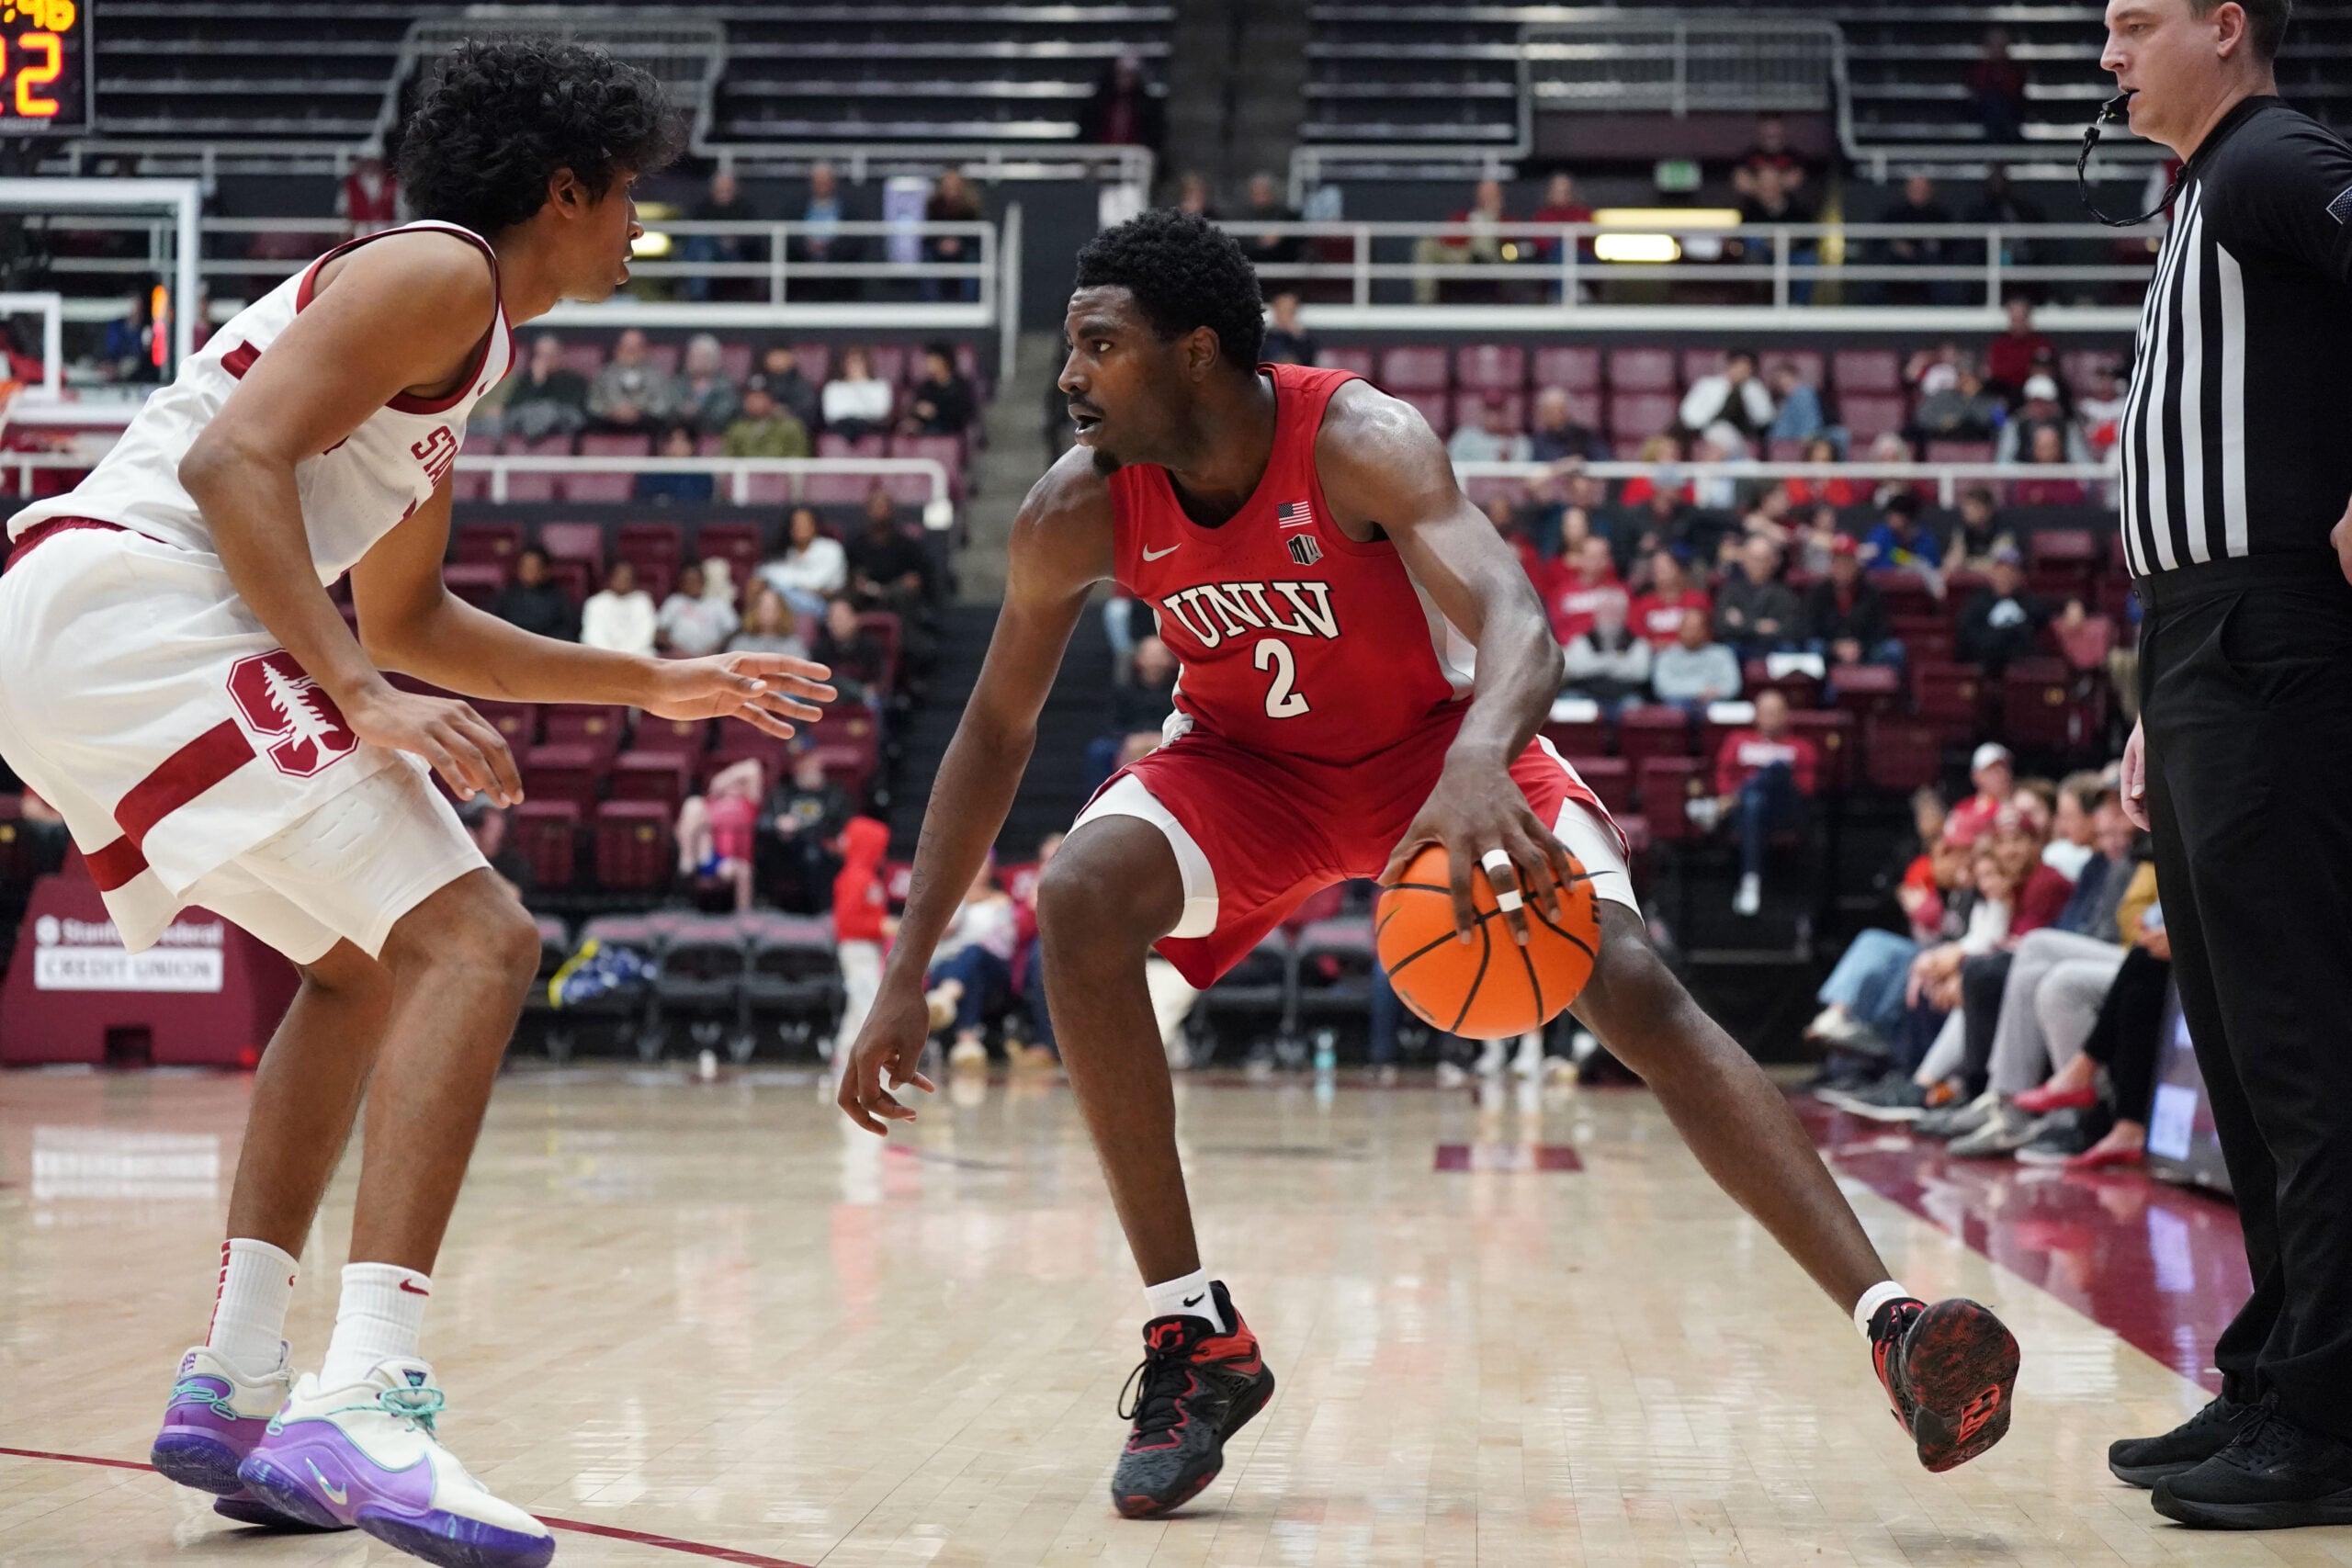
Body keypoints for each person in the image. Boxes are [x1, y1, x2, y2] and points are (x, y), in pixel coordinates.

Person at [836, 210, 2017, 1515]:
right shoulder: (1075, 506)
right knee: (1076, 894)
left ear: (1195, 353)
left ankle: (1894, 1322)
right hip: (1250, 771)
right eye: (1072, 347)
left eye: (1099, 346)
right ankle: (1196, 1337)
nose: (1069, 375)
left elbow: (1519, 620)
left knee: (1629, 981)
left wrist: (1478, 759)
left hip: (1443, 757)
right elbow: (998, 727)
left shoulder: (1356, 440)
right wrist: (904, 968)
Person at [0, 40, 835, 1562]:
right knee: (483, 940)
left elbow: (413, 623)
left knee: (363, 962)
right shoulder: (443, 270)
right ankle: (367, 1397)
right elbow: (237, 466)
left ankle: (238, 1383)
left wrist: (658, 687)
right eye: (626, 195)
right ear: (564, 188)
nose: (633, 223)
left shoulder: (458, 332)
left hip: (85, 624)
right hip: (136, 601)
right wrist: (359, 695)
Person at [2101, 0, 2352, 1524]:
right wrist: (2156, 685)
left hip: (2273, 641)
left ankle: (2327, 1415)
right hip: (2201, 640)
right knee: (2252, 1060)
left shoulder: (2270, 160)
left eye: (2134, 21)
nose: (2110, 53)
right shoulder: (2210, 188)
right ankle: (2276, 1373)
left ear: (2225, 23)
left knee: (2304, 1047)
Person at [1690, 688, 1817, 916]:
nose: (1772, 718)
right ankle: (1751, 881)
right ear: (1756, 715)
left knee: (1777, 769)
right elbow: (1722, 777)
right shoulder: (1737, 740)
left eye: (1777, 712)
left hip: (1783, 811)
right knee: (1753, 801)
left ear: (1787, 715)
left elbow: (1806, 789)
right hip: (1744, 815)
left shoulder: (1801, 747)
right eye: (1766, 712)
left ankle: (1717, 809)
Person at [923, 863, 1021, 1072]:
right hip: (949, 967)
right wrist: (960, 904)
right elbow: (935, 937)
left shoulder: (1000, 902)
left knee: (974, 952)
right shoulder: (948, 899)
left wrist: (973, 947)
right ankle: (967, 1041)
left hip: (993, 970)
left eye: (983, 865)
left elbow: (1007, 945)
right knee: (970, 971)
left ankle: (945, 999)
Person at [830, 815, 895, 1076]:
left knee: (859, 1004)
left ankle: (845, 1053)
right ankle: (865, 1059)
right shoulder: (857, 879)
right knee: (868, 1004)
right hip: (857, 950)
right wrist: (884, 928)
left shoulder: (865, 877)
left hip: (868, 950)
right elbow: (848, 922)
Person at [760, 748, 852, 912]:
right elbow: (765, 820)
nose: (806, 768)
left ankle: (820, 910)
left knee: (814, 855)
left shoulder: (834, 793)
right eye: (801, 764)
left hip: (821, 845)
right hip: (787, 845)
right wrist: (778, 823)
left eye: (810, 762)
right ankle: (772, 905)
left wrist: (803, 828)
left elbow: (841, 824)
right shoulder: (783, 792)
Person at [1957, 546, 2069, 673]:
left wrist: (2073, 605)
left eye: (2011, 572)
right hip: (1986, 669)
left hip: (2023, 674)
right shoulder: (1976, 604)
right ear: (1993, 573)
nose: (2006, 577)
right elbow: (1967, 642)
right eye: (2002, 572)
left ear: (2020, 576)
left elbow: (2055, 609)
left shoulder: (2030, 602)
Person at [677, 756, 763, 912]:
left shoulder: (748, 804)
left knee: (742, 870)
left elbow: (752, 768)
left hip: (734, 861)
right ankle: (687, 858)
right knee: (692, 805)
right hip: (707, 853)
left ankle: (744, 915)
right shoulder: (710, 804)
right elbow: (682, 829)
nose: (733, 786)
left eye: (737, 783)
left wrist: (722, 778)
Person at [1801, 535, 1901, 668]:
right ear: (1831, 565)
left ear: (1856, 564)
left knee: (1893, 649)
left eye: (1847, 562)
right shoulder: (1817, 593)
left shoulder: (1872, 592)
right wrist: (1835, 646)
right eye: (1838, 562)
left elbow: (1881, 629)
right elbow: (1808, 628)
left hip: (1864, 650)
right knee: (1813, 648)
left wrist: (1859, 646)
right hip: (1829, 651)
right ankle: (1820, 688)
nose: (1842, 567)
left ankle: (1876, 686)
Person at [1559, 592, 1650, 716]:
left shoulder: (1637, 642)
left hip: (1624, 695)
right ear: (1596, 614)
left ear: (1624, 615)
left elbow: (1640, 672)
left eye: (1615, 612)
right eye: (1606, 611)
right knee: (1569, 700)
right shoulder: (1582, 640)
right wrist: (1614, 662)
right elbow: (1576, 668)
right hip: (1588, 694)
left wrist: (1596, 664)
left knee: (1635, 707)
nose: (1610, 616)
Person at [490, 333, 588, 444]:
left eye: (550, 355)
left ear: (560, 355)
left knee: (548, 410)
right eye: (540, 355)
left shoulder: (574, 380)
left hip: (559, 428)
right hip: (525, 425)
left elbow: (572, 410)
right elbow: (514, 407)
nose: (545, 360)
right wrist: (537, 383)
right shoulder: (525, 380)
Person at [845, 486, 930, 615]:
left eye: (884, 507)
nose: (880, 512)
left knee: (906, 595)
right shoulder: (855, 544)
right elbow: (851, 577)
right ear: (868, 510)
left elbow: (914, 580)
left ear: (892, 511)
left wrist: (885, 591)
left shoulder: (908, 546)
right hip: (863, 599)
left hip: (897, 598)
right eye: (875, 507)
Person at [684, 165, 759, 303]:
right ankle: (697, 298)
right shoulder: (703, 208)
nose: (723, 192)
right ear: (713, 189)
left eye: (727, 189)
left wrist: (736, 241)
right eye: (720, 189)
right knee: (701, 247)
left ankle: (697, 297)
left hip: (735, 253)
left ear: (735, 189)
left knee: (703, 250)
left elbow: (755, 239)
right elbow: (690, 233)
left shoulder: (744, 209)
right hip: (706, 251)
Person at [759, 505, 849, 621]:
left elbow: (815, 584)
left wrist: (784, 581)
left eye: (805, 523)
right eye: (796, 524)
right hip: (786, 603)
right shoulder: (786, 552)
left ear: (815, 526)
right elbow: (762, 573)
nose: (801, 527)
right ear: (790, 529)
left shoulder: (831, 549)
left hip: (825, 606)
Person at [1714, 536, 1800, 656]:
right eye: (1753, 559)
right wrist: (1758, 626)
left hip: (1773, 649)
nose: (1758, 565)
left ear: (1773, 562)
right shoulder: (1730, 591)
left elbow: (1791, 629)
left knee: (1789, 649)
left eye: (1764, 559)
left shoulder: (1784, 594)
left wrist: (1743, 623)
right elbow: (1722, 627)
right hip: (1740, 648)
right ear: (1743, 560)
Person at [1650, 608, 1743, 715]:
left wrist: (1713, 693)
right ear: (1679, 630)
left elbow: (1732, 686)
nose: (1691, 634)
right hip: (1678, 705)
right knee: (1674, 711)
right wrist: (1701, 691)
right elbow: (1663, 688)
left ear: (1706, 631)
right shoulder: (1665, 656)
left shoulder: (1722, 654)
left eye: (1696, 629)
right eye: (1687, 629)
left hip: (1713, 703)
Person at [587, 325, 677, 433]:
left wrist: (637, 412)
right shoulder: (603, 375)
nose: (630, 352)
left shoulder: (658, 376)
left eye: (635, 348)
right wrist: (612, 412)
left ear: (645, 350)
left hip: (645, 425)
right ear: (618, 350)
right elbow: (593, 404)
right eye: (626, 347)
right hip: (609, 425)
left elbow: (663, 406)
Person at [1678, 349, 1775, 445]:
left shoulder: (1754, 388)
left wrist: (1749, 392)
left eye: (1746, 369)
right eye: (1738, 367)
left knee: (1724, 434)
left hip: (1743, 434)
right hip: (1706, 431)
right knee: (1720, 431)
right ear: (1729, 365)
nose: (1741, 372)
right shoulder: (1708, 385)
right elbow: (1688, 414)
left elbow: (1765, 418)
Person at [487, 544, 579, 642]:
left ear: (546, 570)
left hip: (547, 648)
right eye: (525, 567)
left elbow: (569, 630)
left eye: (534, 567)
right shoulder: (506, 596)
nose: (529, 572)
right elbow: (493, 625)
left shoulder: (559, 598)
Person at [810, 594, 893, 702]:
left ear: (855, 619)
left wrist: (870, 690)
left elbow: (879, 679)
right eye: (832, 619)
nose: (836, 623)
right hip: (830, 696)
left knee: (873, 700)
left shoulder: (871, 645)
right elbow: (815, 680)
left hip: (862, 696)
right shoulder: (819, 647)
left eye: (841, 618)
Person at [1080, 54, 1165, 152]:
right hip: (1100, 155)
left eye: (1130, 75)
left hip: (1135, 158)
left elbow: (1154, 137)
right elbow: (1087, 133)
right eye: (1121, 74)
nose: (1125, 79)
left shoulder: (1148, 106)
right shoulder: (1096, 104)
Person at [922, 170, 985, 302]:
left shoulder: (970, 207)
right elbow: (928, 232)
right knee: (927, 256)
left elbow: (975, 232)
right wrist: (940, 242)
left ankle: (970, 301)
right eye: (947, 184)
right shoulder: (934, 204)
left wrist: (959, 242)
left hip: (964, 247)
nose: (950, 188)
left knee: (972, 256)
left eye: (954, 184)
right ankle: (930, 301)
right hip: (938, 247)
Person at [1627, 550, 1711, 648]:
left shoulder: (1697, 600)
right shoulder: (1642, 604)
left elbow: (1707, 634)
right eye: (1656, 568)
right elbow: (1638, 638)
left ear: (1678, 569)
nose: (1660, 572)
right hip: (1653, 656)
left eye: (1666, 567)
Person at [721, 373, 812, 459]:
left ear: (771, 400)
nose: (754, 402)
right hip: (745, 475)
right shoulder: (737, 429)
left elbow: (798, 459)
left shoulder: (790, 427)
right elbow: (725, 459)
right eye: (750, 397)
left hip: (779, 474)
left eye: (759, 397)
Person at [657, 561, 739, 656]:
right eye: (688, 581)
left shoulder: (718, 603)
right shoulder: (674, 602)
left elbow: (733, 631)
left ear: (704, 581)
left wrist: (714, 649)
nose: (693, 584)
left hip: (712, 656)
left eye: (696, 580)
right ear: (681, 583)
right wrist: (678, 649)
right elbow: (660, 632)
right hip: (678, 656)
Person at [579, 558, 657, 656]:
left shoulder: (642, 601)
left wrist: (625, 656)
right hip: (603, 657)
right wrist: (612, 657)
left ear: (633, 580)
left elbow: (646, 635)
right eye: (618, 576)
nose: (622, 581)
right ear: (610, 578)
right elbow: (593, 635)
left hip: (637, 657)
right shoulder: (596, 603)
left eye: (627, 578)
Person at [1912, 361, 2001, 444]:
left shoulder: (1991, 401)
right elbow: (1922, 416)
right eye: (1963, 377)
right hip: (1943, 440)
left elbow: (2001, 424)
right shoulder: (1944, 395)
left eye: (1972, 378)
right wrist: (1943, 422)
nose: (1968, 382)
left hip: (1975, 442)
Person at [899, 343, 976, 437]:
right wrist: (914, 420)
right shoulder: (926, 386)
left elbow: (964, 415)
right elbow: (917, 408)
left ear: (943, 361)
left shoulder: (961, 386)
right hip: (926, 428)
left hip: (950, 430)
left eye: (932, 361)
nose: (928, 365)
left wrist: (935, 413)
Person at [1231, 172, 1303, 273]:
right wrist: (1258, 242)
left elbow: (1297, 243)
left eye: (1265, 192)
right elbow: (1239, 244)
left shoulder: (1287, 215)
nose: (1261, 197)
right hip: (1250, 268)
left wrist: (1280, 235)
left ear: (1273, 193)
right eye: (1256, 193)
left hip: (1281, 267)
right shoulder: (1240, 216)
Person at [671, 333, 740, 436]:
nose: (693, 361)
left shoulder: (725, 386)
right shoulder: (679, 383)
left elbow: (723, 416)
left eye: (700, 357)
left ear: (713, 360)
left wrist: (698, 413)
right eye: (691, 356)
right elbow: (670, 408)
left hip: (713, 434)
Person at [1986, 298, 2055, 400]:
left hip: (2032, 390)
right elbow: (1997, 371)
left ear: (2028, 319)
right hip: (2006, 389)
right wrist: (2024, 369)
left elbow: (2045, 371)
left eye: (2021, 320)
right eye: (2014, 320)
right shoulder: (2000, 344)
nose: (2017, 325)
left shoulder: (2041, 344)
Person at [820, 345, 893, 441]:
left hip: (871, 427)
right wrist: (860, 411)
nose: (854, 366)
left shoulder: (880, 386)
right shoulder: (833, 387)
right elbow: (831, 415)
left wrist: (859, 385)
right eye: (851, 362)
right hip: (841, 428)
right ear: (844, 365)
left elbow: (880, 412)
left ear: (866, 364)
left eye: (858, 362)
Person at [1949, 742, 2016, 844]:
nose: (2001, 774)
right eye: (1992, 769)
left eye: (2004, 767)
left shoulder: (2025, 803)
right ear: (1976, 776)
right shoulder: (1962, 810)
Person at [1970, 28, 2030, 142]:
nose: (1997, 49)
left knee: (2000, 106)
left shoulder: (2015, 69)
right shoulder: (1979, 68)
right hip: (1985, 113)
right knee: (1992, 103)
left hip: (2010, 111)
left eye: (2000, 45)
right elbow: (1977, 92)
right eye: (1993, 45)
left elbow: (2016, 94)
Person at [1862, 491, 1941, 573]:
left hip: (1917, 584)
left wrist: (1908, 561)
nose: (1890, 519)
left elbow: (1931, 567)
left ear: (1909, 519)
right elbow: (1868, 562)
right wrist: (1899, 561)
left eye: (1897, 516)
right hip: (1882, 584)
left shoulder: (1926, 540)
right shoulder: (1880, 533)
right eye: (1890, 515)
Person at [633, 423, 714, 504]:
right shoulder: (652, 472)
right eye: (672, 442)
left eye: (682, 441)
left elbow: (702, 502)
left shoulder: (702, 473)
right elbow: (646, 502)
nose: (677, 446)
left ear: (693, 445)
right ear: (664, 445)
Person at [1446, 391, 1532, 464]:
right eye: (1489, 410)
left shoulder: (1519, 442)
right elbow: (1452, 467)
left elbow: (1520, 476)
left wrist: (1506, 465)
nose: (1494, 416)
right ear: (1482, 412)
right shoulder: (1464, 437)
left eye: (1499, 411)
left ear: (1507, 413)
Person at [755, 343, 823, 434]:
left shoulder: (802, 385)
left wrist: (783, 412)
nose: (776, 360)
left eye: (780, 356)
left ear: (791, 358)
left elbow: (807, 414)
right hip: (759, 424)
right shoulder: (759, 381)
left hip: (790, 426)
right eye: (773, 356)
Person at [1528, 388, 1606, 463]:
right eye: (1549, 410)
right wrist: (1561, 467)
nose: (1554, 414)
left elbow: (1605, 462)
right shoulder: (1536, 442)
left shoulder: (1585, 437)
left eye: (1558, 409)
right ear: (1541, 414)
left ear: (1567, 411)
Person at [729, 585, 809, 658]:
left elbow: (802, 671)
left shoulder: (794, 644)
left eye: (773, 608)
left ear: (782, 611)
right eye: (764, 608)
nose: (768, 612)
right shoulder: (741, 644)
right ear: (754, 611)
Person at [338, 154, 400, 237]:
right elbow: (343, 210)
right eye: (367, 162)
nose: (370, 165)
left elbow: (401, 211)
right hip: (358, 229)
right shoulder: (351, 184)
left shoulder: (392, 183)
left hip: (386, 228)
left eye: (373, 161)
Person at [1261, 289, 1318, 367]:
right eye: (1283, 310)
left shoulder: (1305, 341)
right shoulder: (1265, 339)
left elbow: (1309, 363)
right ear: (1276, 311)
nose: (1286, 315)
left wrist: (1299, 338)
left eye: (1290, 310)